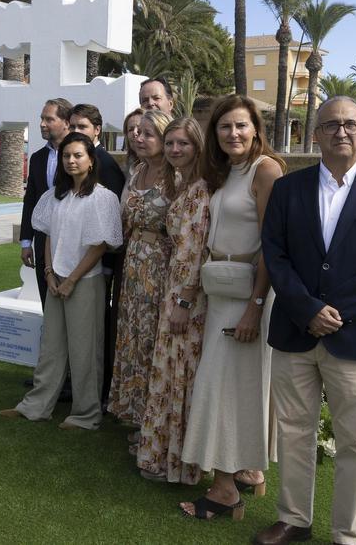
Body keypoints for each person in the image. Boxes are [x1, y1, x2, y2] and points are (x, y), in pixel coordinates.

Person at [253, 97, 356, 545]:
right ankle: (294, 519)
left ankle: (347, 534)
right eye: (331, 125)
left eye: (351, 124)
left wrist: (334, 312)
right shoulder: (288, 188)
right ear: (316, 134)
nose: (341, 132)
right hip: (295, 330)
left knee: (355, 443)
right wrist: (307, 310)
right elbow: (276, 255)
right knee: (294, 433)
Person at [178, 95, 284, 521]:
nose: (233, 134)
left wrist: (255, 308)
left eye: (241, 126)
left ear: (256, 128)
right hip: (221, 291)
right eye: (225, 127)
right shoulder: (226, 172)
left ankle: (224, 492)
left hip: (247, 297)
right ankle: (247, 471)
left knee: (219, 387)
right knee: (237, 387)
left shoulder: (266, 171)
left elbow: (274, 247)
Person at [0, 132, 122, 429]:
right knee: (51, 346)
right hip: (56, 278)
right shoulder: (56, 195)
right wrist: (50, 273)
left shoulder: (102, 198)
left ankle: (86, 414)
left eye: (78, 155)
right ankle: (37, 405)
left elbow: (100, 246)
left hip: (86, 281)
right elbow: (48, 235)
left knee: (85, 350)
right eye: (67, 155)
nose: (71, 160)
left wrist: (72, 280)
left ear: (91, 160)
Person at [135, 117, 211, 485]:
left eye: (183, 143)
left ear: (198, 146)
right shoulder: (181, 186)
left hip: (187, 297)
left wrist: (184, 300)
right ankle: (162, 454)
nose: (175, 149)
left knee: (182, 373)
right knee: (167, 370)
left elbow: (197, 251)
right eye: (170, 143)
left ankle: (181, 462)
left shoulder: (201, 189)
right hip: (171, 288)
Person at [109, 109, 172, 429]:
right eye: (138, 133)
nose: (139, 138)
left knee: (151, 340)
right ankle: (132, 413)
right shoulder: (135, 173)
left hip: (160, 267)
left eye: (149, 134)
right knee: (132, 337)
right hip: (133, 264)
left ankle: (153, 420)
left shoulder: (176, 177)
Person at [68, 103, 126, 402]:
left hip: (96, 265)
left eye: (83, 127)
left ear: (97, 130)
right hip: (72, 258)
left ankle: (97, 392)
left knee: (93, 332)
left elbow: (110, 220)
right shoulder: (75, 158)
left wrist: (103, 267)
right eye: (73, 126)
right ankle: (76, 384)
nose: (77, 132)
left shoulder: (105, 164)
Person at [19, 98, 73, 304]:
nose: (42, 124)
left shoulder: (81, 156)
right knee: (47, 303)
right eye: (42, 118)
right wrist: (26, 242)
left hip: (72, 243)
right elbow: (30, 201)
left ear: (66, 122)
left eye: (49, 119)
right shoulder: (38, 158)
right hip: (43, 243)